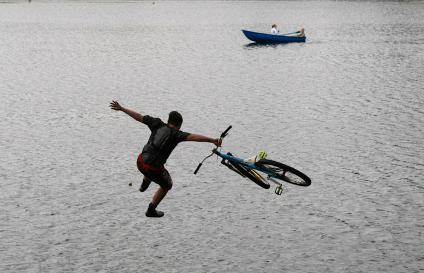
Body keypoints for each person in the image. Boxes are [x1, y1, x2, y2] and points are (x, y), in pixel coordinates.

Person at [109, 101, 221, 217]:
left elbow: (138, 117)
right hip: (152, 169)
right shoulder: (177, 134)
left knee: (152, 165)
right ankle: (151, 210)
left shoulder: (156, 123)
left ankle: (144, 185)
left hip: (140, 162)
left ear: (168, 120)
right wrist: (212, 140)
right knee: (167, 185)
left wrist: (122, 108)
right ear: (179, 125)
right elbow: (194, 137)